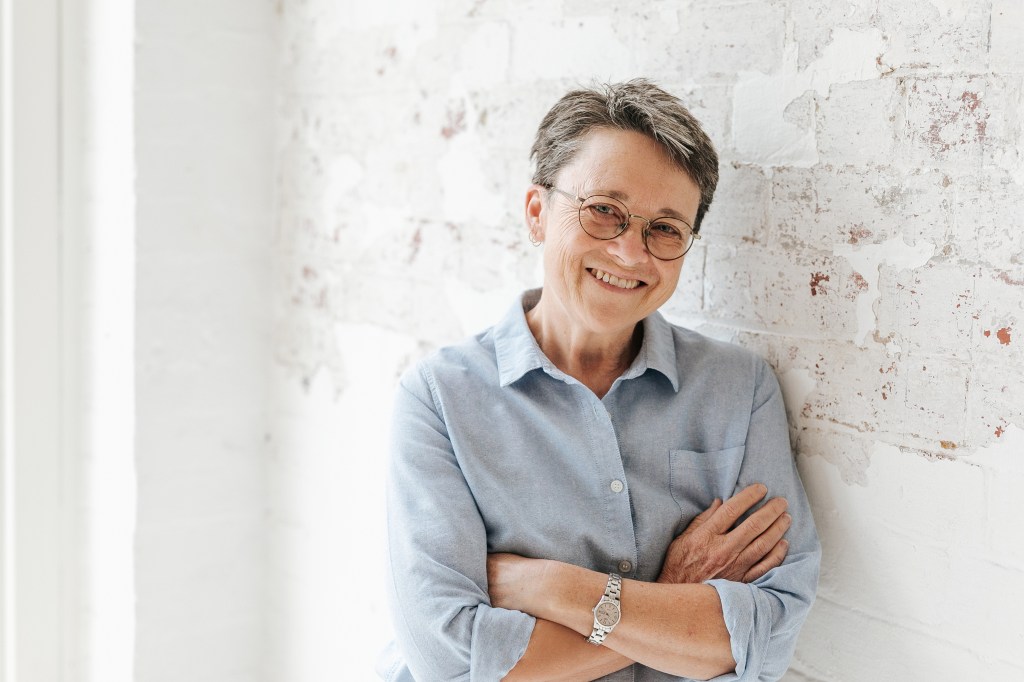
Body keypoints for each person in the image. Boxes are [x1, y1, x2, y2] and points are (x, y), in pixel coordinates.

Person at [379, 79, 820, 682]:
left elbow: (766, 632)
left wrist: (549, 584)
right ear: (538, 212)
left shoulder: (740, 391)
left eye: (665, 228)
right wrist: (673, 593)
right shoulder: (439, 399)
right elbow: (450, 657)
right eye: (604, 211)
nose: (632, 254)